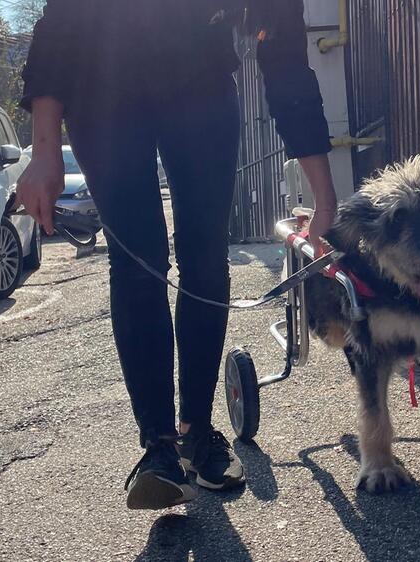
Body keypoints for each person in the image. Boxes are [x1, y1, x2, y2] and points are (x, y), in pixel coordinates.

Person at [17, 0, 339, 510]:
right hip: (101, 92)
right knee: (137, 262)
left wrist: (324, 199)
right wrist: (44, 150)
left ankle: (197, 430)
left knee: (207, 258)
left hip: (200, 86)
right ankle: (158, 449)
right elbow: (62, 24)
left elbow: (283, 56)